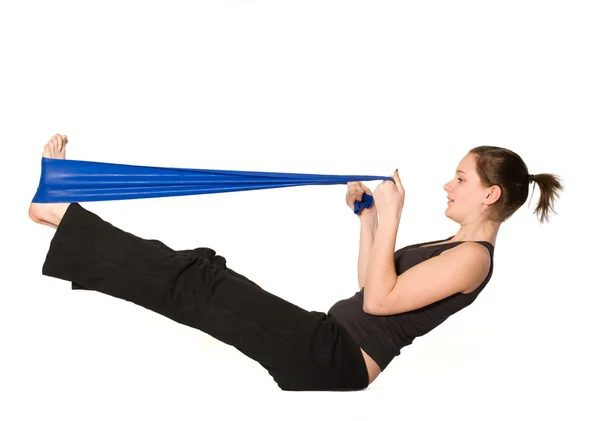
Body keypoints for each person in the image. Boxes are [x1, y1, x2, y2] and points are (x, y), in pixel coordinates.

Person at [29, 133, 563, 391]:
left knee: (200, 282)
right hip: (327, 340)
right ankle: (60, 217)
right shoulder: (453, 247)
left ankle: (57, 213)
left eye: (462, 178)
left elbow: (378, 301)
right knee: (200, 276)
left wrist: (394, 218)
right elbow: (371, 286)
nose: (448, 185)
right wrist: (369, 220)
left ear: (490, 196)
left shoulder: (473, 259)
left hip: (336, 356)